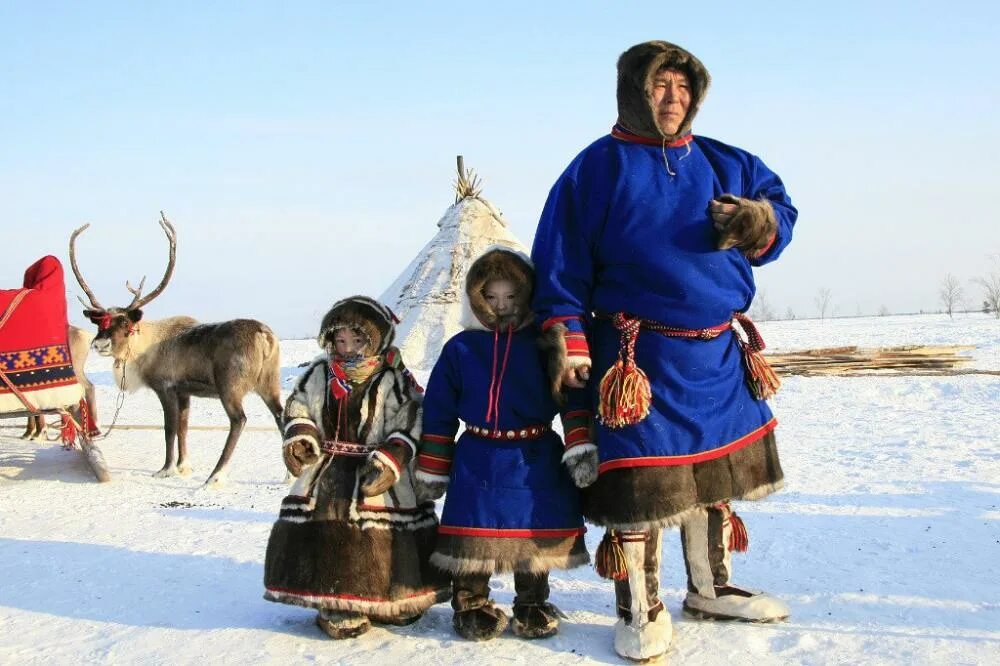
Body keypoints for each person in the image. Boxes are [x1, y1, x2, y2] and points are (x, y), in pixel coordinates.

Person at [530, 40, 797, 661]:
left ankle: (711, 587)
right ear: (634, 92)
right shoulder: (593, 171)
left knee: (714, 477)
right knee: (643, 489)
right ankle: (639, 608)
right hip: (635, 359)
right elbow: (559, 265)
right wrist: (570, 342)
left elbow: (782, 209)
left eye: (682, 87)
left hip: (717, 353)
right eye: (660, 86)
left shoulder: (725, 160)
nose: (673, 99)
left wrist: (757, 220)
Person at [414, 248, 594, 641]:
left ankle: (532, 603)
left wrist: (579, 445)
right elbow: (439, 408)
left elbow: (573, 396)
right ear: (476, 297)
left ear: (526, 294)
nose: (501, 306)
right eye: (491, 298)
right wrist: (433, 463)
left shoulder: (547, 344)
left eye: (511, 298)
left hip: (534, 454)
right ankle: (471, 603)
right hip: (477, 453)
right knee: (471, 535)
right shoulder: (460, 348)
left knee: (534, 532)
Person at [263, 296, 449, 639]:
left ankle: (390, 598)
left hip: (380, 470)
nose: (347, 349)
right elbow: (299, 406)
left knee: (387, 535)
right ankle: (336, 600)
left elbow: (409, 420)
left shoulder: (392, 380)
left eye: (357, 341)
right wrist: (301, 437)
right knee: (332, 530)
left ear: (376, 340)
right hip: (330, 468)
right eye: (340, 341)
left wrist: (393, 456)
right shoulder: (320, 374)